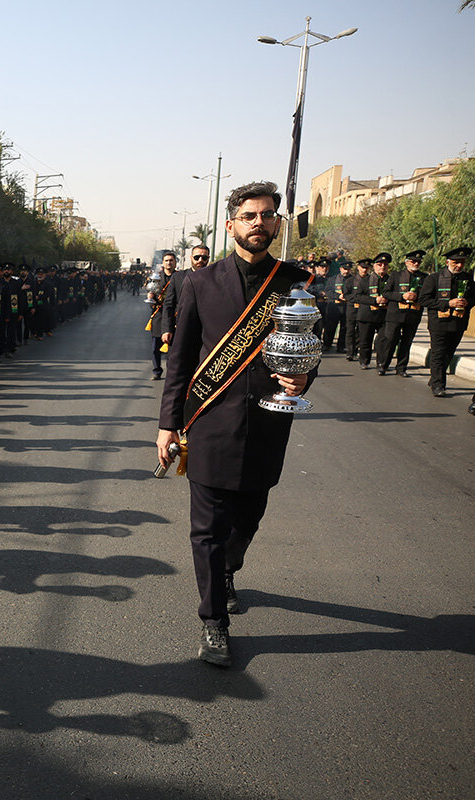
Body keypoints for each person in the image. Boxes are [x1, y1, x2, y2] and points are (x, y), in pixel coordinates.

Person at [157, 181, 314, 668]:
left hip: (268, 422)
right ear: (231, 225)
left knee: (248, 517)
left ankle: (227, 569)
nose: (259, 223)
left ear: (277, 223)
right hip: (209, 422)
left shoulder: (295, 282)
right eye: (250, 215)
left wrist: (303, 377)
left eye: (267, 215)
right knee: (206, 528)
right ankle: (213, 622)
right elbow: (181, 360)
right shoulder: (200, 282)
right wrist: (168, 424)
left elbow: (309, 347)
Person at [418, 246, 474, 398]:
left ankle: (434, 378)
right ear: (447, 262)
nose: (459, 265)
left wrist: (467, 302)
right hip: (439, 323)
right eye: (456, 262)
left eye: (462, 262)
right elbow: (424, 300)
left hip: (458, 322)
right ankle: (438, 385)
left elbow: (473, 297)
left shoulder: (468, 278)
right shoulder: (434, 278)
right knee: (438, 353)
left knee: (449, 353)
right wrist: (448, 303)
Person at [377, 250, 426, 377]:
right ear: (406, 262)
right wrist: (402, 296)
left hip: (413, 314)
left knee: (407, 342)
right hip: (395, 314)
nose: (416, 263)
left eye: (418, 262)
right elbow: (386, 293)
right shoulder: (396, 275)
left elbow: (427, 295)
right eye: (413, 261)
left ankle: (401, 368)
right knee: (390, 340)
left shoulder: (424, 277)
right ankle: (383, 365)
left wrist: (417, 296)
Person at [162, 244, 210, 342]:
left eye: (204, 258)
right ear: (191, 258)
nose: (200, 260)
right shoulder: (178, 277)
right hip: (181, 328)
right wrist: (167, 329)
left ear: (208, 258)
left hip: (206, 331)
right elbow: (168, 304)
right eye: (197, 257)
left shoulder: (214, 278)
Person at [354, 253, 391, 370]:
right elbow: (358, 296)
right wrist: (374, 300)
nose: (382, 267)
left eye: (385, 265)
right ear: (374, 266)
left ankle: (381, 364)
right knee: (365, 340)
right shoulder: (366, 280)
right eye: (379, 264)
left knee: (383, 341)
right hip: (367, 315)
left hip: (384, 315)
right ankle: (364, 361)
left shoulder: (391, 280)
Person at [147, 252, 176, 380]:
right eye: (166, 260)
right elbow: (151, 293)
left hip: (174, 315)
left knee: (173, 348)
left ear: (175, 262)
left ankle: (172, 373)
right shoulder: (156, 278)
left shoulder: (179, 277)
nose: (169, 263)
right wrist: (150, 297)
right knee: (155, 347)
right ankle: (157, 370)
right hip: (159, 315)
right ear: (163, 263)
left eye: (171, 260)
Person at [342, 259, 369, 361]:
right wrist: (357, 298)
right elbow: (346, 294)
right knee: (350, 330)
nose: (364, 270)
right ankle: (350, 352)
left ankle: (356, 350)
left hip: (364, 308)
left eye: (366, 268)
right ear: (358, 268)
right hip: (352, 307)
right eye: (363, 268)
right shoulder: (350, 280)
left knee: (361, 331)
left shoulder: (370, 280)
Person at [322, 260, 350, 353]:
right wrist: (338, 296)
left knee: (344, 327)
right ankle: (327, 344)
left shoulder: (352, 279)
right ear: (340, 269)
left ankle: (341, 346)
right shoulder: (333, 279)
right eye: (345, 269)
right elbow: (328, 291)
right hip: (334, 306)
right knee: (330, 326)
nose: (346, 271)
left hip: (346, 306)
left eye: (348, 269)